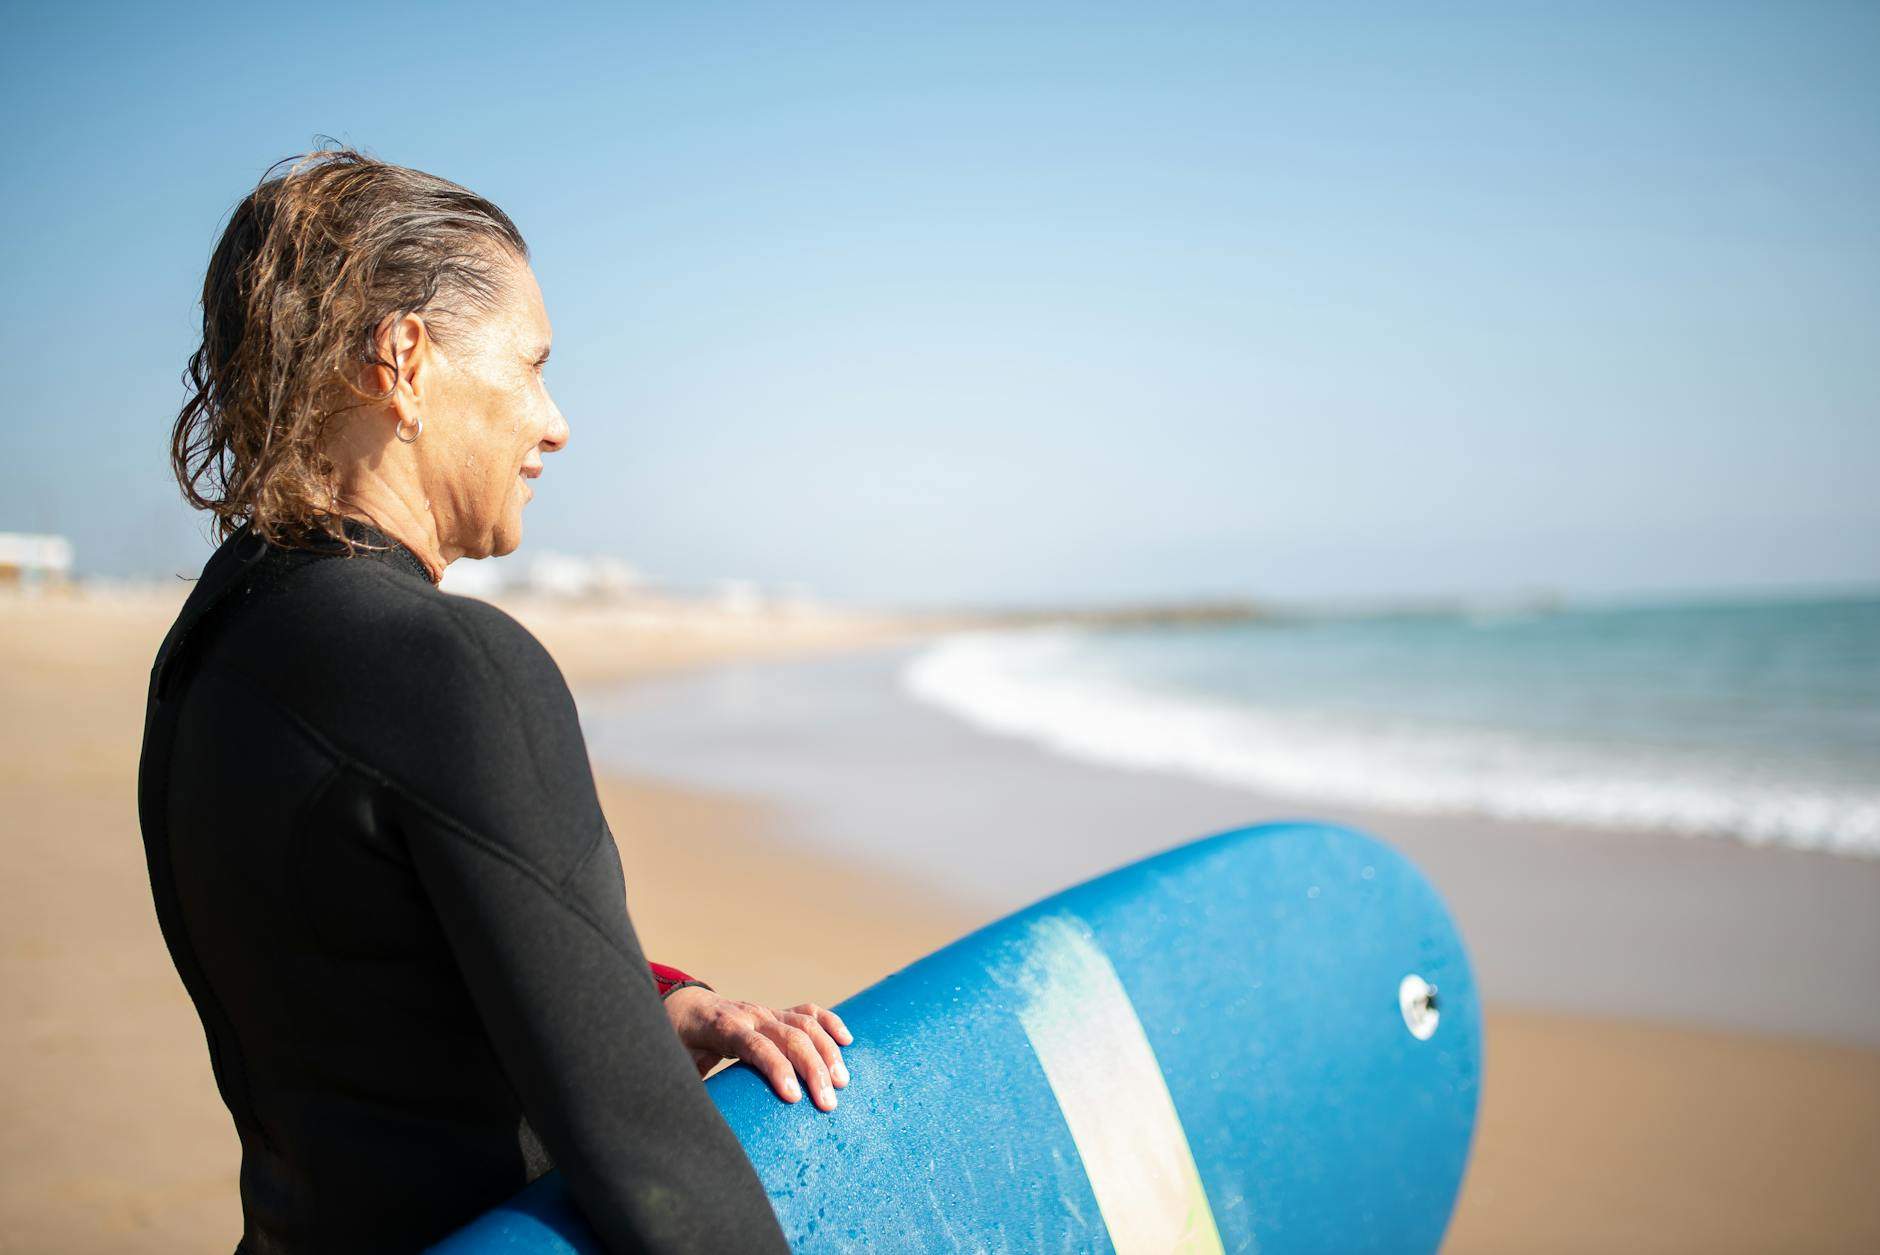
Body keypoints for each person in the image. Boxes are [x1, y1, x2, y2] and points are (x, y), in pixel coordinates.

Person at [138, 149, 848, 1254]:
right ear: (404, 361)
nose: (554, 423)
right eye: (530, 366)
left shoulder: (214, 642)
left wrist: (656, 1000)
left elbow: (367, 970)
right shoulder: (448, 664)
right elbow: (653, 1161)